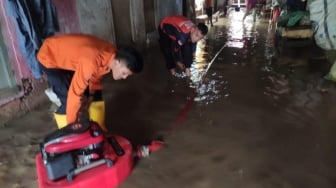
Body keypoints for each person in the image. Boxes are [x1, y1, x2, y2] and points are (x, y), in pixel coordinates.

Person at [37, 34, 143, 130]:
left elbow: (96, 75)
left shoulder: (111, 54)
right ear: (117, 63)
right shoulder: (91, 62)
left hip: (72, 58)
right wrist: (73, 125)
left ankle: (100, 128)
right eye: (124, 73)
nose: (124, 77)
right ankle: (67, 133)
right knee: (68, 99)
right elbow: (75, 93)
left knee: (95, 93)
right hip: (49, 56)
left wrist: (91, 95)